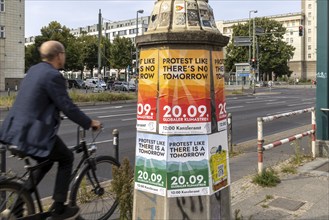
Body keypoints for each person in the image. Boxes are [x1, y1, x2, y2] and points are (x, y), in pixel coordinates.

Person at [0, 40, 101, 220]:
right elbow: (67, 106)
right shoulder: (53, 76)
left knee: (45, 162)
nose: (65, 57)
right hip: (33, 133)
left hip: (15, 130)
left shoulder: (33, 70)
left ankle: (17, 205)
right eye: (64, 54)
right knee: (66, 158)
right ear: (59, 55)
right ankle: (59, 208)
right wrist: (89, 122)